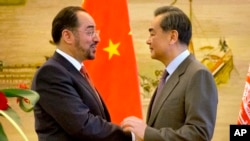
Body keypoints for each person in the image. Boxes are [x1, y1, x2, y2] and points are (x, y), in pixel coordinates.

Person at [31, 6, 133, 141]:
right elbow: (83, 126)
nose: (97, 39)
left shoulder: (76, 71)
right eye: (90, 32)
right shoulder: (51, 74)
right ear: (67, 36)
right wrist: (131, 135)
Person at [121, 5, 218, 141]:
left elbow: (199, 134)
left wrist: (147, 133)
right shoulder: (169, 75)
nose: (148, 41)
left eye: (152, 34)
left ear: (172, 36)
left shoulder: (198, 74)